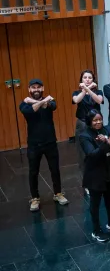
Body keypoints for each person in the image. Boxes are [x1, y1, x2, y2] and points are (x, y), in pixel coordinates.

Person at [20, 79, 68, 212]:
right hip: (34, 144)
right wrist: (41, 101)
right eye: (33, 88)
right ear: (29, 89)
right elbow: (33, 110)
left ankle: (58, 193)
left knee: (55, 169)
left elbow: (51, 106)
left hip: (50, 142)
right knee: (33, 171)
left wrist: (36, 101)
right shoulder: (23, 104)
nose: (36, 90)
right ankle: (35, 198)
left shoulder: (50, 102)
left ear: (42, 88)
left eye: (38, 87)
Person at [79, 109, 110, 242]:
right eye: (95, 120)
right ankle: (96, 230)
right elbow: (92, 155)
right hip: (95, 175)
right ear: (89, 122)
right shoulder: (85, 136)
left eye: (99, 119)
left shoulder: (106, 129)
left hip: (109, 170)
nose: (98, 122)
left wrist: (109, 140)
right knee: (95, 204)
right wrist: (107, 142)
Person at [72, 70, 104, 178]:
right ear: (81, 80)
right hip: (82, 124)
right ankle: (86, 180)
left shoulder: (98, 92)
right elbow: (76, 100)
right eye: (85, 77)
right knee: (82, 152)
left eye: (90, 78)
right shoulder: (76, 93)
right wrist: (86, 89)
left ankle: (100, 175)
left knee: (98, 148)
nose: (87, 79)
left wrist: (88, 90)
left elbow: (99, 101)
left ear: (93, 80)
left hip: (96, 124)